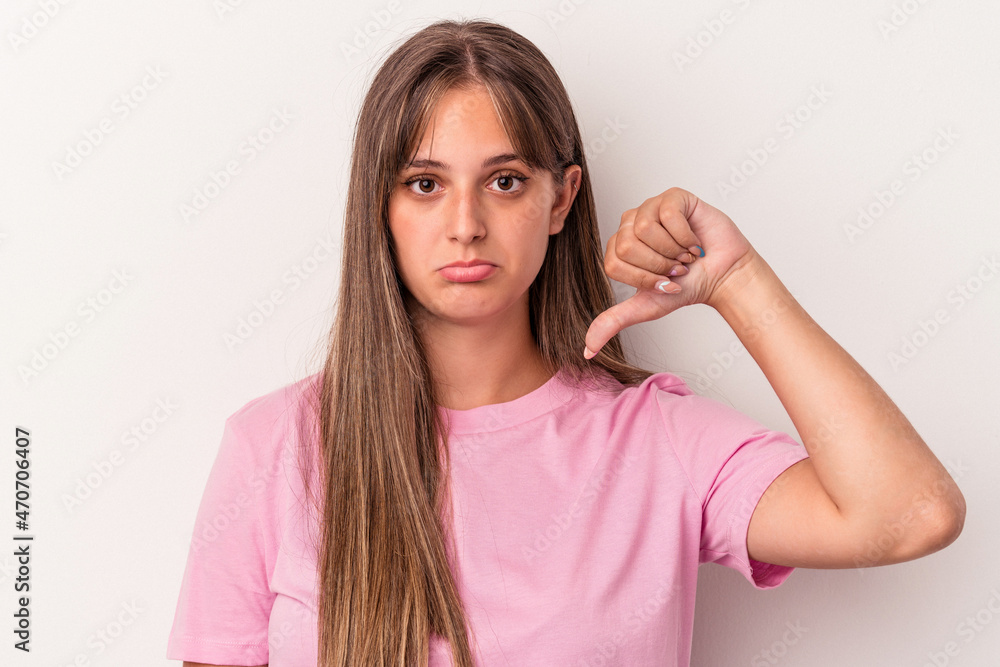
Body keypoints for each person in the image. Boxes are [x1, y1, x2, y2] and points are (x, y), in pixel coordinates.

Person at [165, 17, 966, 667]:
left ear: (562, 198)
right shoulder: (272, 448)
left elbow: (911, 513)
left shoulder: (657, 441)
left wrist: (738, 282)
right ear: (380, 206)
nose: (466, 223)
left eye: (505, 180)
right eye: (425, 183)